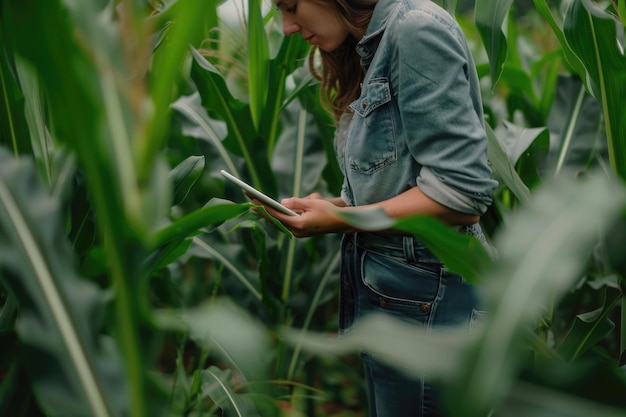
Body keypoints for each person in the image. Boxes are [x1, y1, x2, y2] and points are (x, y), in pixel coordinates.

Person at [262, 0, 498, 415]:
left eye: (292, 6)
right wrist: (330, 206)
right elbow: (403, 185)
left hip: (433, 305)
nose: (287, 28)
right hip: (403, 298)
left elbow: (462, 193)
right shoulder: (370, 46)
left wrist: (341, 219)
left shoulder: (415, 31)